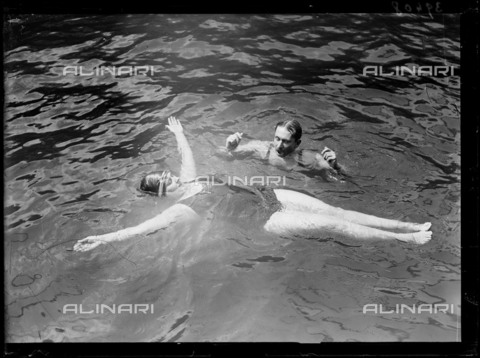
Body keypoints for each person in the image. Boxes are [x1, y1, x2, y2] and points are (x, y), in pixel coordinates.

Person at [74, 116, 432, 253]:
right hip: (266, 220)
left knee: (338, 210)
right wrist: (104, 238)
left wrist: (179, 133)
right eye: (162, 182)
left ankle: (408, 224)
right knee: (335, 225)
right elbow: (142, 228)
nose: (168, 176)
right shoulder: (182, 209)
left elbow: (185, 159)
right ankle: (406, 239)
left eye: (163, 174)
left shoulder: (189, 180)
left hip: (270, 194)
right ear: (162, 195)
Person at [222, 119, 342, 180]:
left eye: (286, 141)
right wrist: (229, 148)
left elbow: (341, 178)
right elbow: (225, 156)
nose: (279, 145)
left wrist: (335, 166)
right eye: (277, 139)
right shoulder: (262, 150)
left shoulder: (308, 158)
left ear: (297, 144)